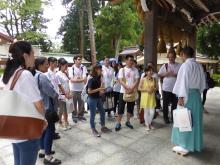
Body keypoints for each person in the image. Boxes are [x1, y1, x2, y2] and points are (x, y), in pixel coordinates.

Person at [2, 41, 46, 165]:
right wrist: (43, 120)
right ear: (25, 56)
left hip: (13, 130)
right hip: (27, 131)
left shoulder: (9, 74)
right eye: (33, 53)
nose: (34, 56)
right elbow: (39, 105)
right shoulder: (25, 75)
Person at [171, 47, 206, 155]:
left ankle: (184, 146)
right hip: (196, 96)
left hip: (187, 96)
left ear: (183, 54)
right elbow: (202, 84)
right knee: (195, 121)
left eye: (181, 55)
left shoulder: (186, 65)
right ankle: (194, 145)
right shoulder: (199, 65)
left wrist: (181, 97)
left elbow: (183, 81)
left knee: (184, 120)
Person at [35, 57, 62, 165]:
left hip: (39, 107)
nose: (47, 66)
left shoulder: (34, 75)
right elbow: (51, 92)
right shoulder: (42, 76)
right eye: (46, 64)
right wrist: (57, 95)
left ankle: (42, 150)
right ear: (40, 65)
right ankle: (48, 156)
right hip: (46, 107)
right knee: (50, 130)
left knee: (43, 129)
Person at [115, 55, 140, 131]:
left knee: (130, 108)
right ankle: (118, 123)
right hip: (123, 92)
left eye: (132, 60)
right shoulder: (122, 70)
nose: (131, 61)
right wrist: (126, 87)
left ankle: (128, 121)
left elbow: (137, 80)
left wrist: (132, 87)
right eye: (130, 60)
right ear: (126, 61)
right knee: (120, 108)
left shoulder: (135, 70)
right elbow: (120, 80)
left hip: (132, 92)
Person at [87, 65, 112, 137]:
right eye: (100, 70)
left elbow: (101, 88)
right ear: (96, 70)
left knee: (102, 112)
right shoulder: (91, 79)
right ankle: (93, 129)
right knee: (93, 114)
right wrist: (98, 90)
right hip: (92, 99)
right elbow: (89, 91)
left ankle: (103, 127)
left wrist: (102, 90)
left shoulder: (99, 77)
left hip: (98, 98)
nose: (101, 71)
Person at [158, 50, 181, 124]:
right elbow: (159, 74)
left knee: (174, 104)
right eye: (169, 57)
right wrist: (166, 74)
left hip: (175, 88)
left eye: (172, 57)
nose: (171, 58)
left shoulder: (179, 65)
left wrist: (175, 75)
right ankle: (165, 117)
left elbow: (182, 76)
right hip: (166, 88)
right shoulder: (165, 65)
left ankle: (173, 117)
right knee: (165, 104)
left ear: (175, 57)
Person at [69, 55, 87, 123]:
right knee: (74, 104)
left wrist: (77, 79)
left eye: (80, 59)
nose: (80, 61)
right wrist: (80, 79)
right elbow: (72, 80)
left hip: (82, 88)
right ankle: (74, 116)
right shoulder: (71, 68)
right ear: (74, 60)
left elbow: (85, 78)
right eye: (78, 59)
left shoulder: (83, 67)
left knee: (81, 103)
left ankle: (81, 116)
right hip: (73, 89)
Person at [139, 66, 157, 131]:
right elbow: (139, 88)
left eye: (152, 70)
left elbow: (156, 88)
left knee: (152, 112)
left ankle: (149, 123)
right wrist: (146, 90)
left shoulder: (154, 79)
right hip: (145, 97)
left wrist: (153, 89)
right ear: (146, 72)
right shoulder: (143, 79)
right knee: (146, 112)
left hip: (152, 97)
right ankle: (147, 125)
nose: (151, 72)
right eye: (149, 71)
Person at [56, 58, 72, 130]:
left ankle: (66, 121)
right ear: (61, 65)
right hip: (61, 94)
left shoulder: (65, 73)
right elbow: (59, 85)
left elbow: (68, 83)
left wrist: (69, 92)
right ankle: (60, 122)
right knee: (62, 109)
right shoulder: (57, 74)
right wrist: (65, 94)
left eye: (67, 65)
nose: (66, 67)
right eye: (65, 65)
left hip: (67, 93)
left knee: (65, 108)